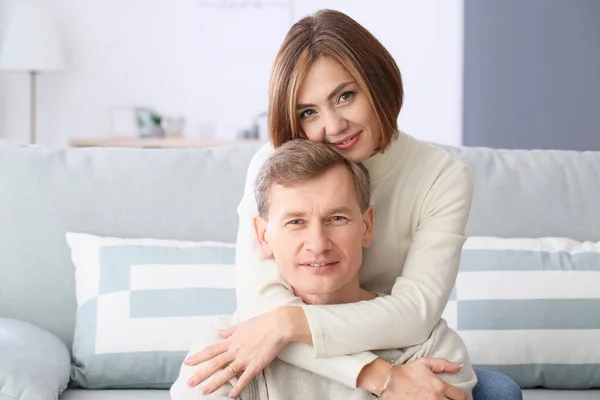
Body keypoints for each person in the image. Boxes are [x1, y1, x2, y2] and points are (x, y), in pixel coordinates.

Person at [184, 9, 522, 400]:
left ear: (376, 82)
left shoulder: (441, 177)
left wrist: (297, 326)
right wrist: (375, 377)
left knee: (498, 392)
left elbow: (414, 313)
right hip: (308, 356)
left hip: (395, 346)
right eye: (308, 112)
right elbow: (265, 310)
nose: (333, 126)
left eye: (345, 96)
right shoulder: (274, 166)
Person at [171, 140, 477, 400]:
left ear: (366, 226)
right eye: (296, 222)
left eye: (337, 219)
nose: (318, 244)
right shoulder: (224, 348)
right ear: (263, 236)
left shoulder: (432, 346)